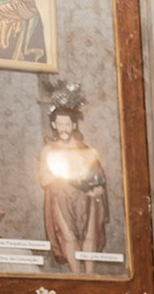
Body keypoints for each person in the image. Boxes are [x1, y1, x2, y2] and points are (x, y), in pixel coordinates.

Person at [38, 105, 107, 275]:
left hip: (86, 198)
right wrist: (64, 174)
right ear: (54, 125)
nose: (64, 129)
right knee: (68, 237)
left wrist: (95, 188)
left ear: (74, 126)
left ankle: (90, 276)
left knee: (89, 236)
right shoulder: (48, 151)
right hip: (60, 197)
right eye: (60, 124)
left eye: (67, 125)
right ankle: (77, 276)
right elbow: (44, 179)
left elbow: (99, 177)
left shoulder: (86, 150)